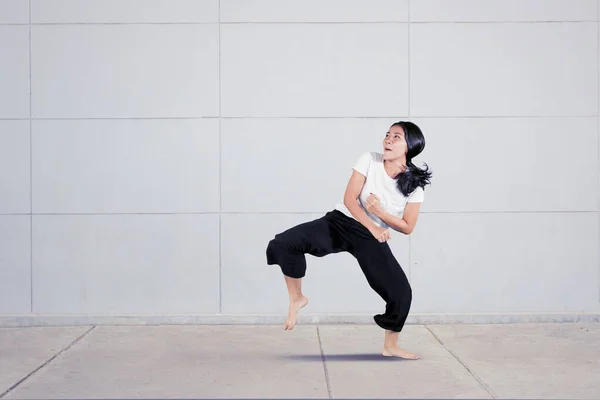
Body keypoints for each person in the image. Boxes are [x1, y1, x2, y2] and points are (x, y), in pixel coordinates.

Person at [266, 121, 432, 359]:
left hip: (370, 235)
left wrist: (382, 214)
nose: (388, 139)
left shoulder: (414, 187)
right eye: (387, 135)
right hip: (341, 221)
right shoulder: (370, 159)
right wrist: (374, 225)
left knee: (401, 291)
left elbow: (408, 227)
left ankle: (390, 345)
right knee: (283, 243)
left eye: (396, 137)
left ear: (410, 146)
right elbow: (350, 199)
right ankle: (297, 298)